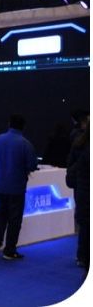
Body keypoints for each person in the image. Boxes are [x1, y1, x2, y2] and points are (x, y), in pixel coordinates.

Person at [0, 114, 37, 260]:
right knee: (14, 219)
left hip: (0, 185)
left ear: (9, 123)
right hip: (16, 186)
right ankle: (9, 250)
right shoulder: (25, 144)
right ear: (23, 126)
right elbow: (32, 165)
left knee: (2, 215)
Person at [67, 115, 89, 270]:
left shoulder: (78, 144)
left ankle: (83, 257)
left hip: (81, 192)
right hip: (84, 191)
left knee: (84, 227)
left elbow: (71, 169)